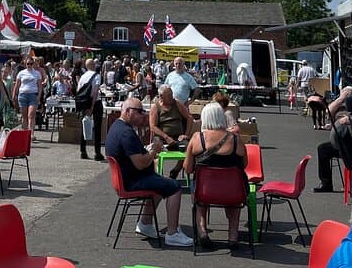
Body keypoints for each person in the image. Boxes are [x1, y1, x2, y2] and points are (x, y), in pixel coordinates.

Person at [105, 97, 193, 248]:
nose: (143, 114)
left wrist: (147, 151)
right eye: (139, 111)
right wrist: (154, 151)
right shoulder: (126, 133)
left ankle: (145, 223)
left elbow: (133, 156)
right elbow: (140, 164)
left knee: (160, 183)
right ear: (127, 111)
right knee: (174, 188)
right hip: (133, 181)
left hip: (127, 179)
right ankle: (173, 234)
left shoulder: (117, 127)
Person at [182, 102, 248, 250]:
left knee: (198, 195)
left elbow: (187, 168)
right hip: (232, 192)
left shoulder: (197, 138)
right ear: (222, 118)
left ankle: (202, 231)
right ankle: (233, 235)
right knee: (234, 199)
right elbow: (244, 164)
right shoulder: (236, 139)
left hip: (205, 192)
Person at [314, 87, 352, 193]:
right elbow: (327, 111)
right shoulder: (338, 107)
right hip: (338, 142)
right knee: (322, 149)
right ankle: (326, 183)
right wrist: (340, 99)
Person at [149, 85, 193, 179]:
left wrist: (186, 135)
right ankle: (159, 176)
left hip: (178, 137)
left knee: (189, 149)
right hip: (162, 138)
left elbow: (189, 118)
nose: (171, 97)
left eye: (171, 94)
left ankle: (175, 171)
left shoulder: (177, 103)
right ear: (161, 97)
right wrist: (166, 137)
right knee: (155, 150)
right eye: (169, 95)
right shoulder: (155, 107)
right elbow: (153, 126)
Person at [75, 58, 104, 161]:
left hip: (84, 103)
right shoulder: (97, 75)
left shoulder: (83, 76)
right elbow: (95, 91)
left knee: (84, 125)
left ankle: (83, 151)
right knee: (97, 127)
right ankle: (97, 152)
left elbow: (78, 90)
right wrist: (92, 106)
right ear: (93, 65)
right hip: (95, 102)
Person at [12, 55, 42, 136]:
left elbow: (40, 86)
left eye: (31, 64)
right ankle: (24, 134)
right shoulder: (21, 73)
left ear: (33, 64)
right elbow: (17, 85)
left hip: (33, 95)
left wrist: (39, 96)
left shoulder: (37, 73)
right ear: (25, 64)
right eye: (28, 64)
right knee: (24, 116)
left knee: (31, 115)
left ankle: (31, 134)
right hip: (23, 95)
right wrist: (14, 94)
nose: (29, 65)